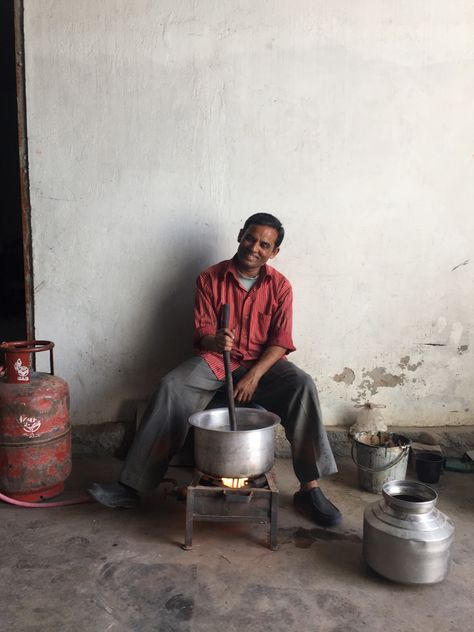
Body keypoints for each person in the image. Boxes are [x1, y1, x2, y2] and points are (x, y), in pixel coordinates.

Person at [89, 213, 342, 527]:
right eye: (251, 238)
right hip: (217, 361)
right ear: (240, 235)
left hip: (262, 365)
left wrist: (253, 376)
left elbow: (281, 342)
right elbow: (202, 333)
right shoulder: (210, 278)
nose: (254, 247)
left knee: (302, 385)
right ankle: (132, 486)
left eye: (265, 244)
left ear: (273, 252)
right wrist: (215, 339)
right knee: (172, 386)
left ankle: (310, 488)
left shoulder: (280, 287)